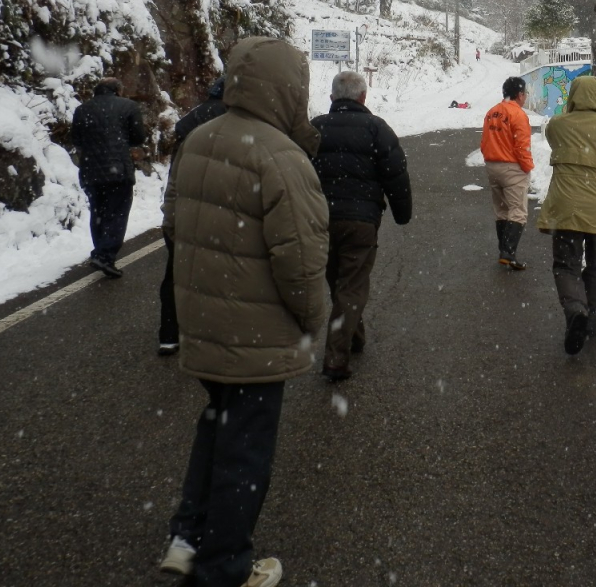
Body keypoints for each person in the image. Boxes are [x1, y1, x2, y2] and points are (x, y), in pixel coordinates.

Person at [160, 36, 329, 587]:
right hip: (256, 335)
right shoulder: (281, 155)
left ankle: (187, 537)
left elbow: (173, 228)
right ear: (288, 90)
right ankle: (224, 566)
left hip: (204, 324)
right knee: (245, 452)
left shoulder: (199, 138)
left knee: (215, 428)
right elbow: (301, 262)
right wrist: (313, 320)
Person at [310, 70, 412, 382]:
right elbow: (395, 174)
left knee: (339, 282)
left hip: (319, 219)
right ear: (363, 97)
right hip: (361, 221)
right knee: (351, 285)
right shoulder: (376, 128)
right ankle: (336, 358)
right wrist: (402, 212)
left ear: (332, 98)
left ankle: (353, 337)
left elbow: (293, 171)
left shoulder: (313, 129)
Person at [537, 75, 596, 355]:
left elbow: (554, 136)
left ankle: (575, 309)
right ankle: (592, 319)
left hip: (566, 205)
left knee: (565, 264)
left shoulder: (557, 126)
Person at [157, 76, 227, 356]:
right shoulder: (234, 122)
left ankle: (169, 333)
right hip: (218, 208)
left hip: (184, 206)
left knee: (175, 272)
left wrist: (171, 213)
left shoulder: (191, 120)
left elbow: (175, 173)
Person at [70, 77, 146, 278]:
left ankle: (100, 250)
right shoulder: (129, 106)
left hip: (91, 169)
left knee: (99, 212)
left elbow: (76, 139)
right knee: (118, 212)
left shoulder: (82, 110)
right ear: (118, 90)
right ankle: (106, 255)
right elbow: (139, 137)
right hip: (118, 168)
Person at [481, 76, 534, 270]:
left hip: (492, 165)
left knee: (502, 210)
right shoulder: (518, 114)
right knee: (518, 211)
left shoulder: (491, 112)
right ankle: (508, 252)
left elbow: (484, 141)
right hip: (512, 168)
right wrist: (527, 167)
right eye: (525, 93)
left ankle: (504, 250)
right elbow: (522, 146)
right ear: (520, 94)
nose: (525, 97)